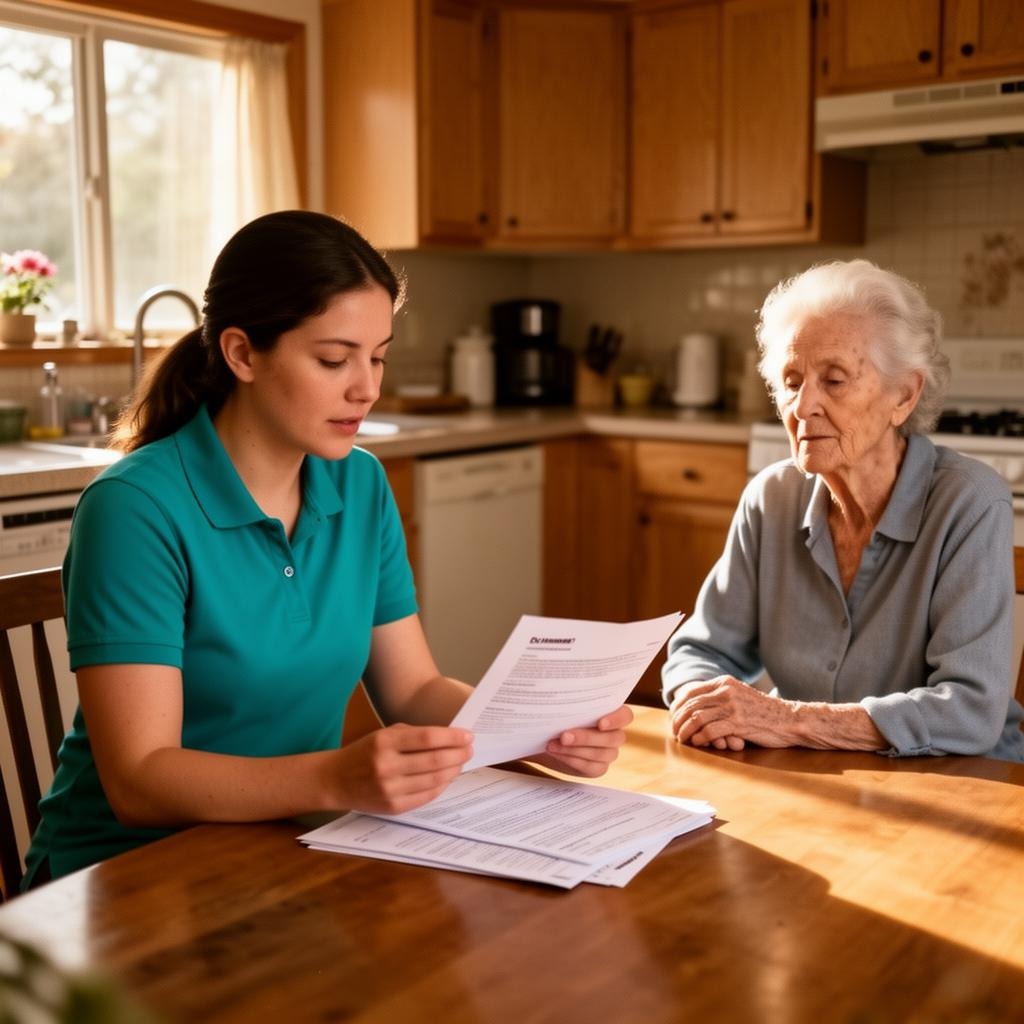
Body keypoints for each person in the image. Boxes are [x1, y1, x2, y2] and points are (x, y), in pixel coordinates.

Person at [23, 210, 631, 888]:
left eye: (377, 357)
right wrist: (335, 776)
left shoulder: (359, 482)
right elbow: (140, 781)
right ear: (242, 354)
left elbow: (413, 689)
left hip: (285, 850)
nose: (366, 388)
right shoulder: (136, 508)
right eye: (334, 360)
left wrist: (538, 734)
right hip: (123, 879)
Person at [663, 258, 1024, 762]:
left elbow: (968, 710)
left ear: (904, 393)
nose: (803, 405)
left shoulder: (969, 503)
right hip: (818, 779)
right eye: (791, 381)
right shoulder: (770, 499)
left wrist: (787, 720)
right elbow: (698, 652)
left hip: (960, 785)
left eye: (833, 380)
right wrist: (705, 708)